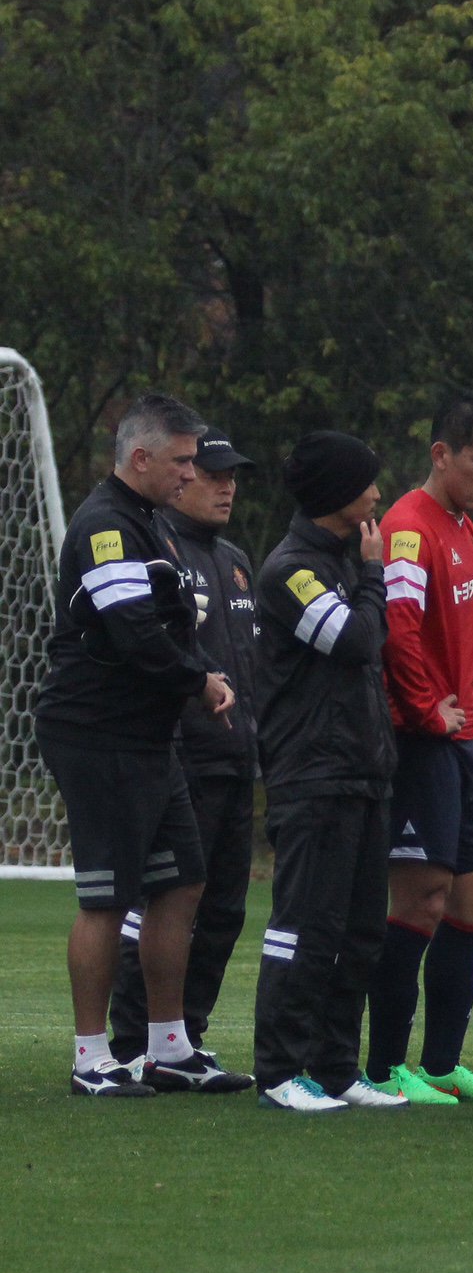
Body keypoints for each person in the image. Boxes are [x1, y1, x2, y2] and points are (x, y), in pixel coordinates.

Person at [38, 393, 235, 1098]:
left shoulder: (152, 524)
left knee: (182, 881)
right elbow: (134, 632)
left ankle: (168, 1047)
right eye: (182, 461)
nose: (192, 473)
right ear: (141, 458)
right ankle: (92, 1058)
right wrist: (202, 680)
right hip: (98, 737)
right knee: (105, 899)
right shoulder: (105, 527)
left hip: (149, 740)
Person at [367, 395, 473, 1106]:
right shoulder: (405, 527)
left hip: (460, 740)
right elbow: (398, 628)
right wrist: (428, 707)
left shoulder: (463, 528)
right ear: (441, 455)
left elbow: (467, 632)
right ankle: (385, 1065)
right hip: (419, 741)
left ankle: (441, 1061)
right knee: (421, 900)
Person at [106, 428, 261, 1089]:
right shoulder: (157, 548)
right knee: (164, 904)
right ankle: (134, 1038)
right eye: (210, 473)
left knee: (224, 909)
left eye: (231, 475)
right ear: (181, 476)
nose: (225, 486)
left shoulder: (233, 557)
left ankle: (187, 1036)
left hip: (234, 758)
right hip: (180, 755)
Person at [251, 431, 401, 1112]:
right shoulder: (290, 569)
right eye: (368, 484)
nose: (377, 494)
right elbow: (355, 640)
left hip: (362, 774)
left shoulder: (341, 559)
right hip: (312, 776)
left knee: (360, 931)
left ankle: (336, 1067)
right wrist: (374, 575)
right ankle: (280, 1070)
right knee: (303, 926)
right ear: (339, 494)